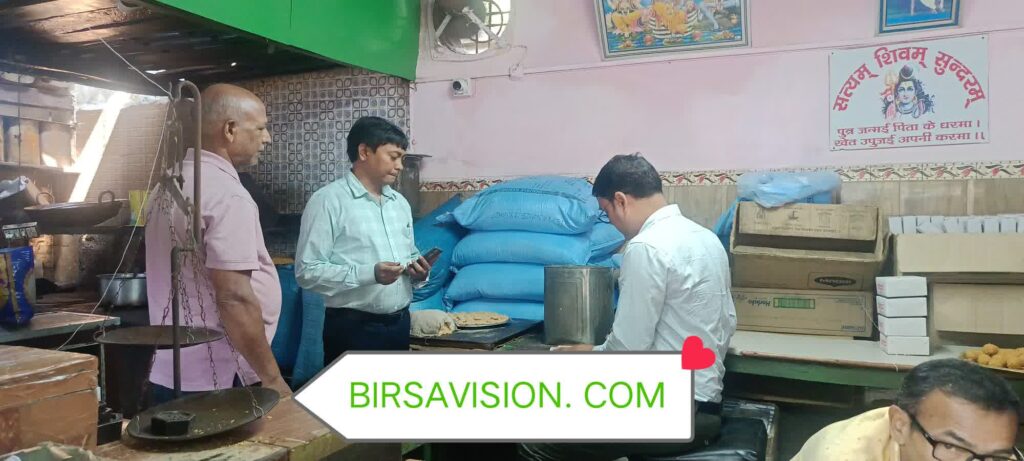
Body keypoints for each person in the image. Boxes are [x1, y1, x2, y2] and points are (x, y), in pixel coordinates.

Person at [519, 153, 737, 461]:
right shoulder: (706, 238)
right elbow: (727, 321)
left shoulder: (646, 247)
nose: (612, 223)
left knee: (535, 438)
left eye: (606, 211)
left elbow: (627, 352)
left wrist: (585, 357)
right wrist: (592, 351)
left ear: (620, 200)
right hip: (706, 406)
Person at [145, 83, 290, 405]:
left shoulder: (166, 185)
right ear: (230, 130)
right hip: (219, 375)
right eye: (261, 128)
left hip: (172, 368)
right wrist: (272, 379)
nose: (267, 138)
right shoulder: (228, 195)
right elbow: (234, 297)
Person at [295, 116, 430, 366]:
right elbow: (307, 272)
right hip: (353, 330)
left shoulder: (399, 203)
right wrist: (370, 274)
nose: (400, 166)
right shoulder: (328, 201)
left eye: (401, 158)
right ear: (364, 152)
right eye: (394, 157)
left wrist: (418, 273)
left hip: (400, 325)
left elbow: (409, 253)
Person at [792, 358, 1022, 461]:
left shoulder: (990, 451)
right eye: (951, 447)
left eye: (996, 458)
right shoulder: (843, 456)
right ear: (900, 426)